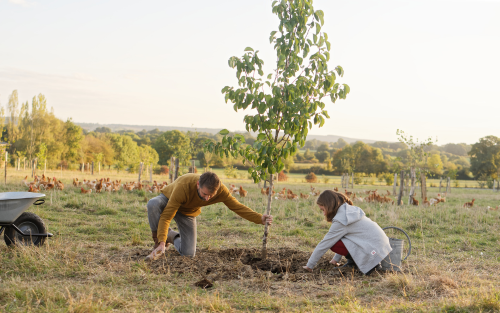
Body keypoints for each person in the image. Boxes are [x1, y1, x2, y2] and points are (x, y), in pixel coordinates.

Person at [146, 172, 273, 260]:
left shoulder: (221, 191)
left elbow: (237, 207)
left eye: (211, 196)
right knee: (153, 204)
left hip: (188, 211)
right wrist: (162, 243)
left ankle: (171, 236)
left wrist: (259, 218)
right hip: (170, 200)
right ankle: (159, 242)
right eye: (204, 194)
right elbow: (167, 216)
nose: (207, 199)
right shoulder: (183, 186)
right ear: (198, 185)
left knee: (188, 254)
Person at [302, 190, 392, 275]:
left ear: (329, 206)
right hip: (381, 245)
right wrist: (335, 260)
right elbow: (345, 238)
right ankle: (353, 262)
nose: (324, 214)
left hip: (373, 250)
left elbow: (325, 243)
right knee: (338, 240)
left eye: (323, 210)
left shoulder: (342, 220)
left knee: (333, 243)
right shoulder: (347, 211)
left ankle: (368, 263)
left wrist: (309, 266)